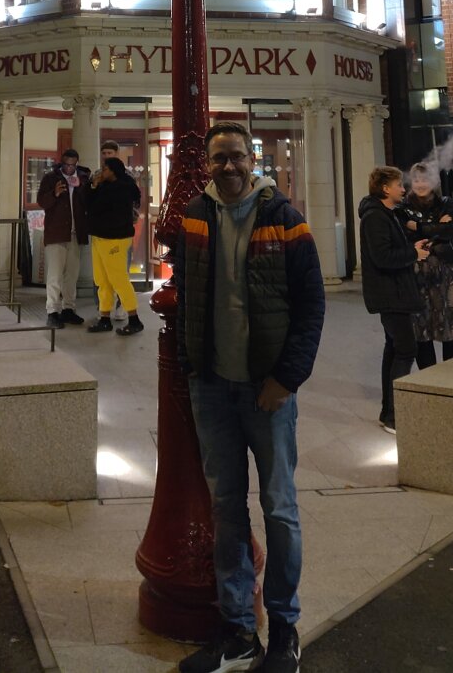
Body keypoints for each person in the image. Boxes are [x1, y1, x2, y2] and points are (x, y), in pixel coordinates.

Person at [175, 121, 325, 673]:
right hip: (213, 387)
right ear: (208, 163)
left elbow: (312, 306)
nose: (229, 167)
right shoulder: (195, 215)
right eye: (219, 159)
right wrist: (194, 367)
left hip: (267, 392)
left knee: (280, 510)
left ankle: (284, 630)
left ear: (252, 159)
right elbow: (188, 293)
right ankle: (239, 631)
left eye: (237, 157)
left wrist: (285, 379)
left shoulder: (285, 218)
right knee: (226, 512)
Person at [359, 166, 430, 435]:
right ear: (385, 188)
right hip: (391, 294)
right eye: (399, 184)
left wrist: (414, 247)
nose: (404, 188)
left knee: (393, 350)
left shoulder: (386, 214)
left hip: (395, 293)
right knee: (406, 349)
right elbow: (383, 257)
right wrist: (413, 254)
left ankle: (387, 412)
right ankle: (393, 416)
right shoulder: (376, 217)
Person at [402, 162, 453, 367]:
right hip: (418, 277)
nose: (420, 184)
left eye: (425, 179)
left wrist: (419, 227)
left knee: (450, 327)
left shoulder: (446, 203)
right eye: (416, 180)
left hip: (446, 276)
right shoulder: (403, 208)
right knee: (421, 330)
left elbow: (449, 231)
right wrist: (436, 228)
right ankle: (426, 381)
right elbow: (405, 235)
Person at [86, 156, 143, 336]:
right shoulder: (107, 187)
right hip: (100, 237)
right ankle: (104, 318)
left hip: (115, 239)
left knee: (118, 279)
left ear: (113, 171)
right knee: (101, 280)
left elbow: (93, 207)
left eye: (105, 169)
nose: (101, 172)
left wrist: (95, 188)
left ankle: (134, 319)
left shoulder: (121, 188)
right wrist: (95, 187)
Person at [37, 148, 90, 329]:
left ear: (76, 163)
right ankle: (52, 311)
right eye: (66, 164)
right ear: (62, 162)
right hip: (56, 234)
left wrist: (81, 188)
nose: (69, 168)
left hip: (76, 234)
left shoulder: (83, 179)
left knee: (72, 274)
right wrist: (55, 194)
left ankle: (69, 309)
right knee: (55, 275)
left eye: (72, 165)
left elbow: (88, 202)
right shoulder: (51, 178)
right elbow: (42, 202)